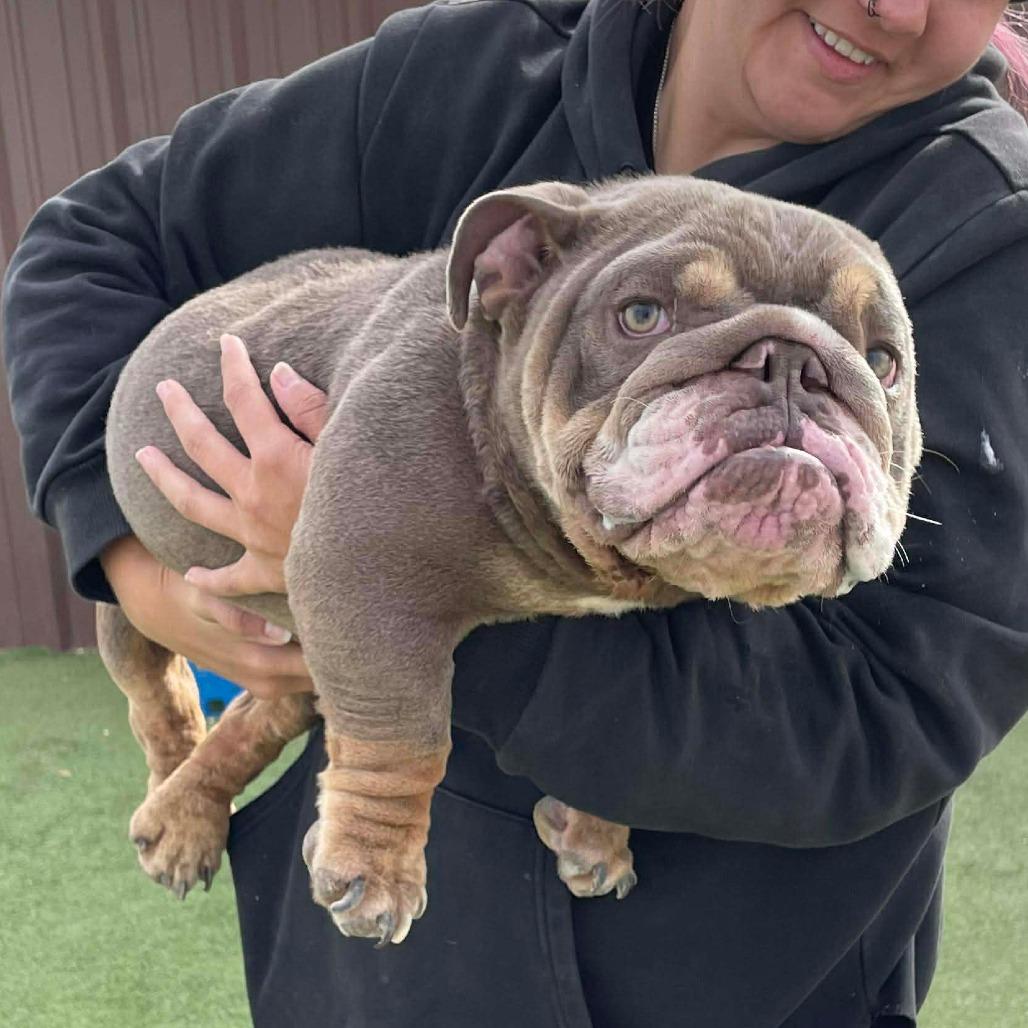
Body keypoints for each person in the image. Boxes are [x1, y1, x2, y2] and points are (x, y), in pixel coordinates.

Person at [5, 0, 1028, 1024]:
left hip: (755, 985)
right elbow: (93, 242)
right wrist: (134, 554)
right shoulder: (471, 72)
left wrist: (390, 594)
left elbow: (885, 708)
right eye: (642, 315)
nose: (893, 7)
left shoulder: (995, 233)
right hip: (365, 977)